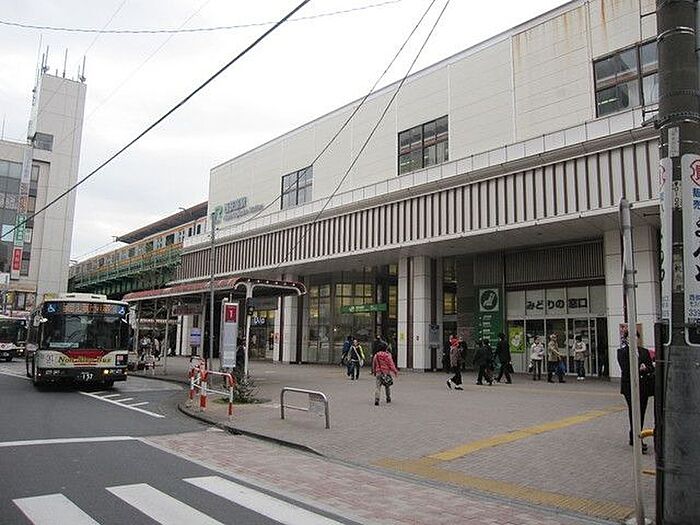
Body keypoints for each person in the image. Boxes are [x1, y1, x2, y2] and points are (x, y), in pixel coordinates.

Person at [617, 330, 654, 453]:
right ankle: (636, 438)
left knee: (641, 412)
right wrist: (640, 368)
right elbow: (626, 369)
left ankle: (636, 435)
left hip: (643, 387)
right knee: (634, 411)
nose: (633, 339)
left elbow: (651, 367)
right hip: (629, 387)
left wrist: (645, 368)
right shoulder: (622, 352)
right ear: (626, 339)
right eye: (630, 337)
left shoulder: (644, 351)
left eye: (635, 337)